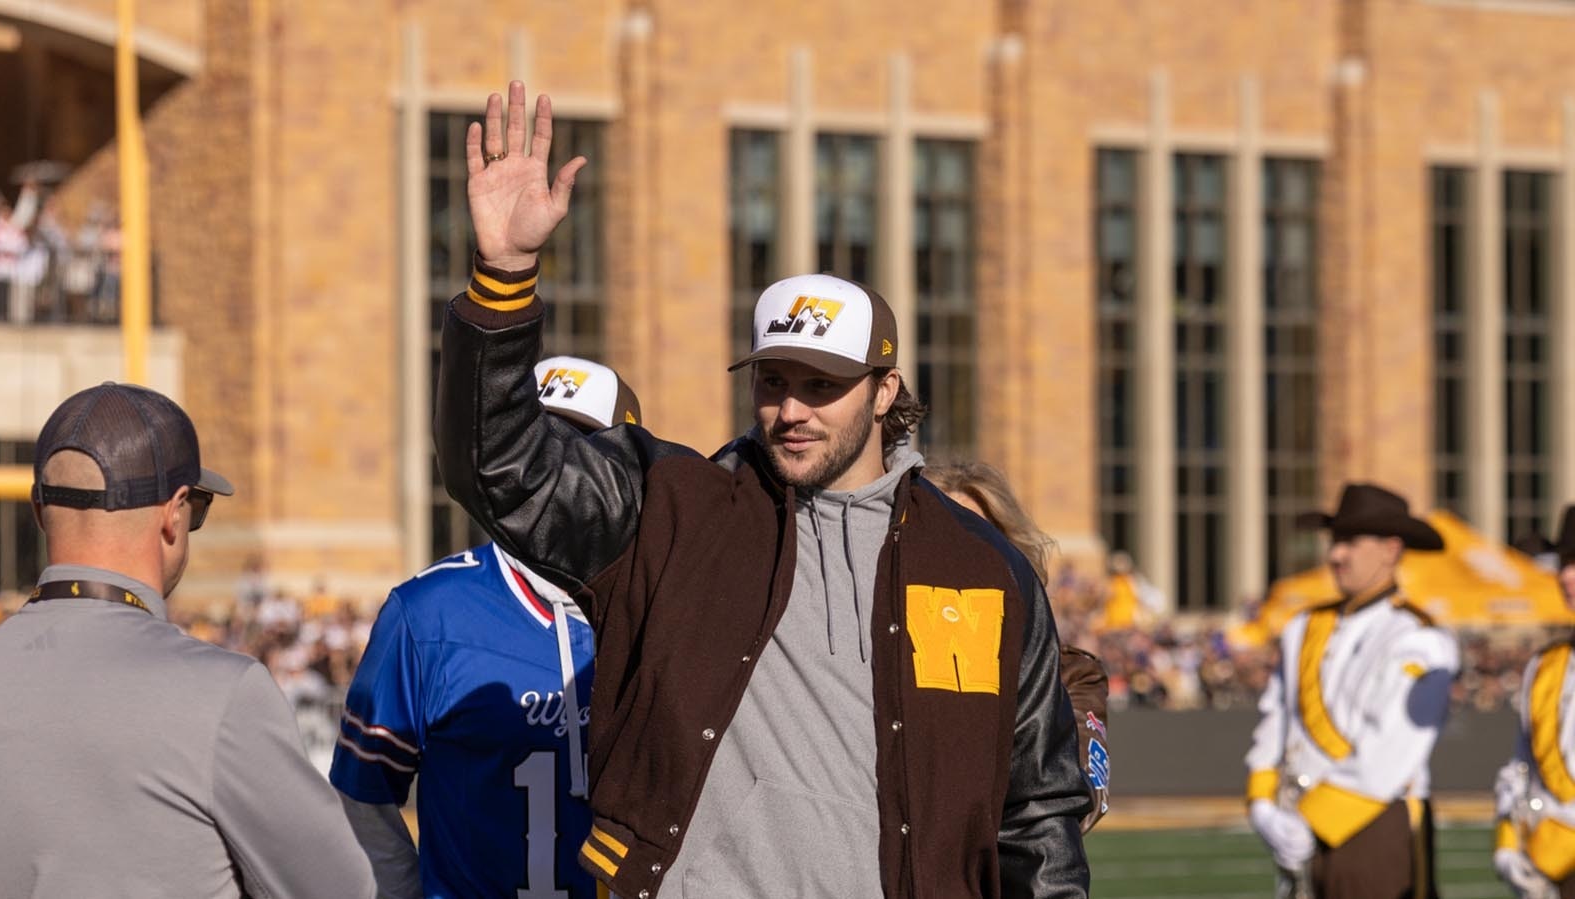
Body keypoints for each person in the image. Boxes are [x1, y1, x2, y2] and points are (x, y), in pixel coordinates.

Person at [432, 83, 1089, 899]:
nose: (791, 410)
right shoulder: (672, 509)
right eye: (773, 381)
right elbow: (496, 467)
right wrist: (504, 275)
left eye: (823, 384)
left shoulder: (983, 565)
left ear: (886, 391)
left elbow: (1038, 813)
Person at [0, 382, 375, 898]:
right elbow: (343, 892)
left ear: (37, 511)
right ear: (174, 513)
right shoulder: (224, 696)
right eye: (199, 510)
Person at [332, 355, 641, 899]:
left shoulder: (669, 602)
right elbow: (362, 794)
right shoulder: (429, 612)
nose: (551, 471)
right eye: (532, 446)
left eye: (580, 447)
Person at [1244, 482, 1457, 899]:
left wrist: (1311, 821)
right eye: (1334, 541)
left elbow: (1392, 751)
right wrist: (1261, 803)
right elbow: (1277, 718)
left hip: (1373, 822)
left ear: (1391, 550)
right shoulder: (1303, 627)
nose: (1335, 554)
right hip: (1294, 819)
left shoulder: (1419, 637)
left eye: (1350, 542)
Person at [922, 459, 1111, 832]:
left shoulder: (1070, 673)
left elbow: (1076, 800)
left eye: (978, 543)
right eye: (937, 542)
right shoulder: (877, 651)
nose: (957, 562)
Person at [1494, 504, 1575, 898]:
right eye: (1563, 563)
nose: (1565, 576)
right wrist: (1510, 839)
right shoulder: (1546, 665)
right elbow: (1522, 766)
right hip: (1548, 865)